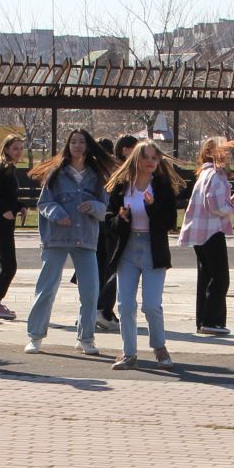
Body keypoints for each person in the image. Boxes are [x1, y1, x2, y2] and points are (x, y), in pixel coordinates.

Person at [22, 128, 110, 355]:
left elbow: (105, 207)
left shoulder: (96, 176)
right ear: (68, 146)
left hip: (86, 240)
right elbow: (43, 204)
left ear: (88, 146)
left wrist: (94, 207)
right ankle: (35, 336)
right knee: (47, 288)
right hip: (57, 239)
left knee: (90, 292)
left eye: (82, 142)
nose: (77, 146)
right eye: (73, 142)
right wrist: (57, 213)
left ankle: (86, 338)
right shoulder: (56, 174)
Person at [103, 140, 182, 370]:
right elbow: (110, 220)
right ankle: (129, 353)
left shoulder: (162, 186)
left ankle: (159, 346)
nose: (150, 162)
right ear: (135, 159)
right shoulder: (122, 186)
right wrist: (121, 218)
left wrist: (152, 206)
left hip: (152, 249)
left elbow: (169, 222)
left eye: (154, 158)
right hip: (127, 250)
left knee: (151, 305)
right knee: (125, 305)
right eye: (145, 157)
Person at [180, 135, 234, 336]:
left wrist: (229, 202)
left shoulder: (204, 174)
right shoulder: (216, 175)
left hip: (199, 231)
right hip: (211, 231)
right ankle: (211, 321)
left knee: (206, 276)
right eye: (223, 149)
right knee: (220, 278)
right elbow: (216, 207)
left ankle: (203, 321)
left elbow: (212, 201)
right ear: (211, 152)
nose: (226, 153)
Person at [0, 134, 29, 320]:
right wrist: (4, 210)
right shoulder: (3, 167)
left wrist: (19, 206)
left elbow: (7, 195)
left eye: (20, 148)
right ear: (6, 149)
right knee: (9, 264)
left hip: (0, 221)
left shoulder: (7, 167)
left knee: (1, 262)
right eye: (15, 148)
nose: (19, 151)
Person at [96, 134, 137, 328]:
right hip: (113, 222)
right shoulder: (121, 169)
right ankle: (101, 309)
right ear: (125, 150)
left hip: (106, 221)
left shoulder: (116, 168)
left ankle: (104, 310)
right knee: (116, 267)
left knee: (108, 267)